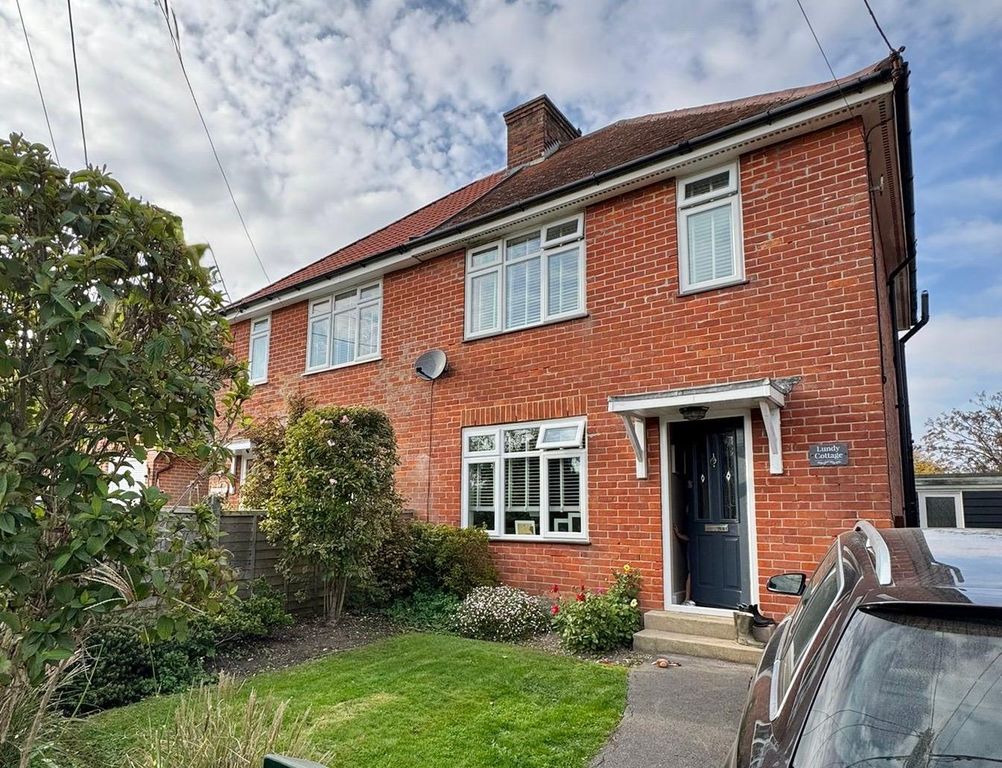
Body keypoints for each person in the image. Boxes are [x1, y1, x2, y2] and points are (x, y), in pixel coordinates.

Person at [673, 522, 694, 605]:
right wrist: (679, 534)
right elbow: (689, 538)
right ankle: (687, 599)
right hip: (692, 548)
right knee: (691, 573)